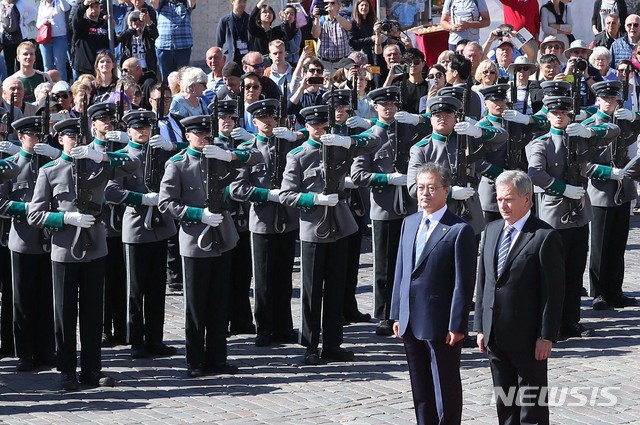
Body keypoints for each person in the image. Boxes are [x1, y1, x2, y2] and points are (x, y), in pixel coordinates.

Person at [27, 117, 138, 391]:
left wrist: (99, 154)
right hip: (65, 250)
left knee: (92, 312)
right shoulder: (50, 171)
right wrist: (65, 218)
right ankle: (67, 371)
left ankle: (92, 369)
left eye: (78, 136)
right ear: (60, 140)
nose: (75, 141)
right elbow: (34, 214)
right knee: (65, 314)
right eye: (69, 137)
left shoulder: (97, 164)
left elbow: (133, 163)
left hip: (95, 247)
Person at [158, 114, 257, 378]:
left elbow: (258, 158)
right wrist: (196, 214)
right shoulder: (177, 164)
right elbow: (166, 203)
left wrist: (231, 157)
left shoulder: (219, 156)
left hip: (223, 237)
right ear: (187, 136)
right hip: (194, 239)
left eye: (206, 134)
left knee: (218, 301)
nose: (204, 138)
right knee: (196, 304)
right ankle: (195, 360)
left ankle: (217, 357)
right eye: (198, 134)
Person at [279, 104, 378, 365]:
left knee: (336, 289)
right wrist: (315, 199)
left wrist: (347, 139)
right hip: (313, 229)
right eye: (315, 125)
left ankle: (333, 344)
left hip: (340, 226)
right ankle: (310, 345)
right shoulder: (298, 156)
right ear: (307, 127)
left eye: (324, 125)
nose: (320, 129)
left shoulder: (338, 147)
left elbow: (373, 141)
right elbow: (287, 194)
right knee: (312, 292)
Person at [475, 170, 565, 425]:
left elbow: (553, 293)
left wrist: (546, 336)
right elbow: (484, 282)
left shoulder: (544, 236)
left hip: (528, 338)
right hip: (495, 335)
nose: (503, 205)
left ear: (527, 200)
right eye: (500, 199)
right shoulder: (491, 230)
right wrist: (480, 326)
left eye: (509, 199)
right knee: (506, 405)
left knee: (532, 407)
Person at [526, 95, 619, 340]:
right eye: (555, 112)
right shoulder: (542, 143)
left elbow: (613, 131)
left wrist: (588, 132)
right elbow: (535, 173)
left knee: (575, 271)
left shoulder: (579, 138)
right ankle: (551, 323)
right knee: (552, 273)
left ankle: (572, 321)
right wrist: (561, 188)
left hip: (579, 214)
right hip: (555, 215)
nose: (559, 116)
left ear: (570, 115)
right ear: (547, 115)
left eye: (564, 113)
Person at [391, 161, 476, 425]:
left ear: (446, 190)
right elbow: (401, 271)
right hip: (410, 319)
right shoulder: (409, 222)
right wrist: (396, 313)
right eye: (421, 188)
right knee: (420, 388)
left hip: (440, 322)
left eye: (432, 188)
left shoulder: (458, 229)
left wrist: (457, 323)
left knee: (445, 387)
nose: (425, 193)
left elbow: (464, 283)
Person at [104, 110, 178, 359]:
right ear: (129, 131)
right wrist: (141, 199)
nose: (143, 131)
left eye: (146, 127)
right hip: (136, 228)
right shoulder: (123, 157)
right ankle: (136, 340)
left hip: (160, 226)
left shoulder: (159, 153)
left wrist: (170, 146)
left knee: (157, 289)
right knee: (135, 290)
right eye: (138, 128)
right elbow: (111, 191)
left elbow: (187, 156)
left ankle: (155, 339)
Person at [229, 99, 299, 346]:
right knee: (263, 279)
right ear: (254, 122)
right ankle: (264, 328)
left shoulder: (288, 145)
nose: (267, 121)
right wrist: (266, 194)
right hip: (262, 220)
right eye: (262, 118)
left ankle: (284, 326)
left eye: (271, 117)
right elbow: (236, 188)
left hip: (288, 219)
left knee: (284, 276)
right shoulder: (248, 150)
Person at [350, 86, 418, 336]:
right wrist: (388, 179)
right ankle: (384, 313)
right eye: (383, 105)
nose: (388, 109)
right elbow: (358, 175)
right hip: (384, 209)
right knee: (384, 266)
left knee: (409, 262)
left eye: (392, 104)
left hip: (409, 208)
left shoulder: (408, 131)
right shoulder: (369, 137)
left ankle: (406, 310)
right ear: (375, 108)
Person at [578, 81, 639, 310]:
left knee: (617, 243)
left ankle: (615, 290)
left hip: (622, 190)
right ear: (598, 100)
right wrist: (608, 173)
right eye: (606, 99)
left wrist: (634, 116)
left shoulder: (622, 121)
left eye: (613, 99)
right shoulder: (588, 126)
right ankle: (598, 292)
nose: (610, 103)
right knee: (600, 246)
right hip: (601, 191)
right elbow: (583, 164)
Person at [151, 0, 195, 82]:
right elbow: (153, 2)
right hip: (164, 47)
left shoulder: (185, 3)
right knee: (166, 79)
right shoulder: (161, 3)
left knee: (183, 78)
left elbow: (192, 3)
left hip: (183, 47)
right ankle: (167, 94)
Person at [71, 0, 111, 76]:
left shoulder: (104, 24)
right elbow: (75, 20)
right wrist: (84, 5)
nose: (94, 9)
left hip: (101, 68)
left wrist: (112, 28)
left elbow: (113, 42)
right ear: (86, 10)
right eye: (91, 7)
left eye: (96, 7)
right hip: (84, 68)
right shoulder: (82, 23)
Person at [311, 0, 352, 71]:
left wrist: (335, 14)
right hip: (324, 63)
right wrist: (316, 18)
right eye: (327, 3)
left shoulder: (345, 17)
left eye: (332, 3)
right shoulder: (321, 19)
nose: (329, 5)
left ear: (339, 6)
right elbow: (315, 35)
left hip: (341, 62)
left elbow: (349, 27)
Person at [36, 0, 71, 82]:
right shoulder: (42, 4)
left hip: (59, 37)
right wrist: (44, 22)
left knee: (60, 66)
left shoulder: (59, 3)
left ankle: (62, 87)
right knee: (47, 66)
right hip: (45, 38)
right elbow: (38, 24)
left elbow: (66, 8)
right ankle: (48, 86)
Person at [0, 0, 37, 76]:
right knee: (9, 64)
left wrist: (24, 22)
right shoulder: (2, 4)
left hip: (19, 38)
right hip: (7, 38)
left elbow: (34, 11)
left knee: (20, 63)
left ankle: (22, 80)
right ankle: (10, 83)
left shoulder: (21, 2)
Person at [117, 9, 159, 74]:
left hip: (146, 67)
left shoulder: (147, 33)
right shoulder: (127, 35)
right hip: (130, 68)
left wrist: (148, 22)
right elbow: (119, 38)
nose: (137, 22)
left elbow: (155, 35)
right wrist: (133, 31)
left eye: (140, 20)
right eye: (134, 20)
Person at [216, 0, 250, 65]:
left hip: (246, 56)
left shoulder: (249, 19)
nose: (242, 4)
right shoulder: (224, 20)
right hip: (230, 57)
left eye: (244, 1)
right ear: (232, 2)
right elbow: (219, 42)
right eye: (239, 1)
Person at [349, 0, 376, 65]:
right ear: (357, 7)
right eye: (362, 5)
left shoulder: (372, 21)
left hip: (370, 55)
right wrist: (370, 39)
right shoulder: (353, 22)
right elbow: (352, 42)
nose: (364, 7)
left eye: (366, 5)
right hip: (357, 57)